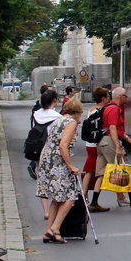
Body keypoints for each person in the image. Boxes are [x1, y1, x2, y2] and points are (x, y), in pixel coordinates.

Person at [35, 96, 84, 243]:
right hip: (57, 162)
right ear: (78, 111)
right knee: (70, 196)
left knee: (57, 198)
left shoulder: (59, 120)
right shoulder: (71, 122)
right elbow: (63, 145)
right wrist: (71, 166)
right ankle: (55, 228)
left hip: (47, 159)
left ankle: (48, 231)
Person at [97, 87, 131, 209]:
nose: (127, 98)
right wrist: (118, 146)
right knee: (124, 169)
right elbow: (112, 128)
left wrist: (127, 139)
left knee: (101, 174)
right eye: (125, 96)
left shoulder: (107, 107)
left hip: (102, 143)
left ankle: (94, 202)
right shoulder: (114, 109)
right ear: (120, 97)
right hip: (110, 142)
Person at [31, 89, 63, 219]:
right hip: (52, 151)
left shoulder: (36, 114)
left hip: (38, 150)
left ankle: (45, 211)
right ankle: (55, 207)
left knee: (42, 180)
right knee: (56, 180)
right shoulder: (57, 117)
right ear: (54, 101)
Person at [83, 86, 112, 212]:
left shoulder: (91, 110)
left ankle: (84, 196)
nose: (109, 98)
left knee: (89, 170)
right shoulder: (103, 110)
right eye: (108, 96)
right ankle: (121, 196)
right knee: (106, 169)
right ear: (103, 98)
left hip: (89, 143)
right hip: (99, 144)